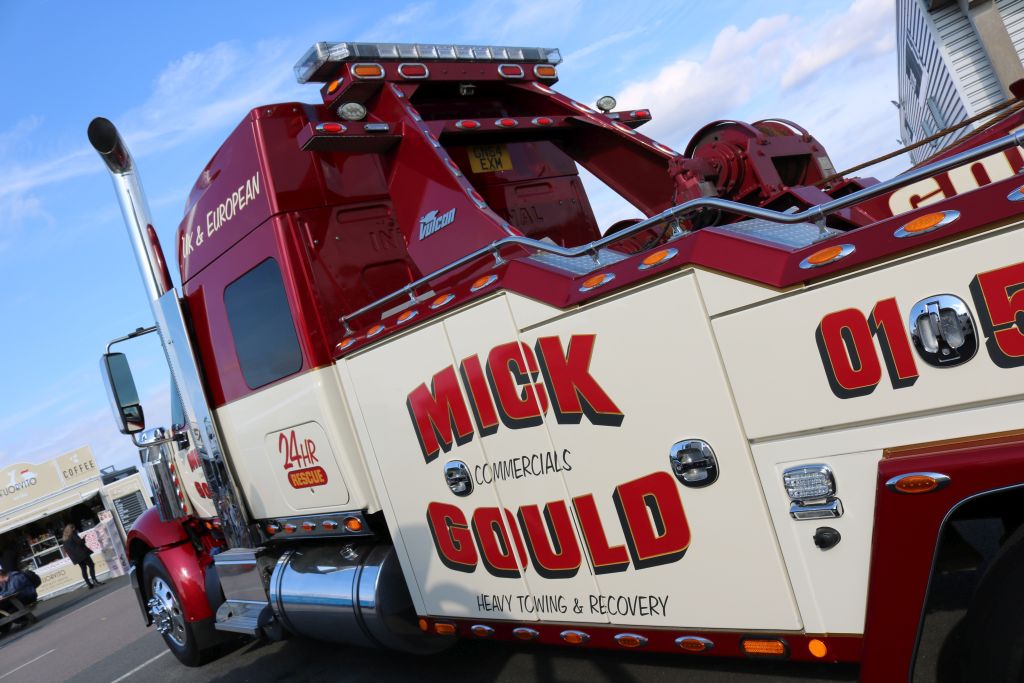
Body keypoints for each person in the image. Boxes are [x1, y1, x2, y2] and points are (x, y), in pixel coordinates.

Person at [61, 524, 103, 589]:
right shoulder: (73, 535)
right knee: (91, 565)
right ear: (72, 529)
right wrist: (83, 539)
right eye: (74, 528)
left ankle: (89, 584)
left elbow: (67, 550)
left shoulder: (65, 540)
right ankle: (94, 580)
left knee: (83, 569)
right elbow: (80, 543)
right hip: (82, 554)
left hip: (76, 557)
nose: (75, 529)